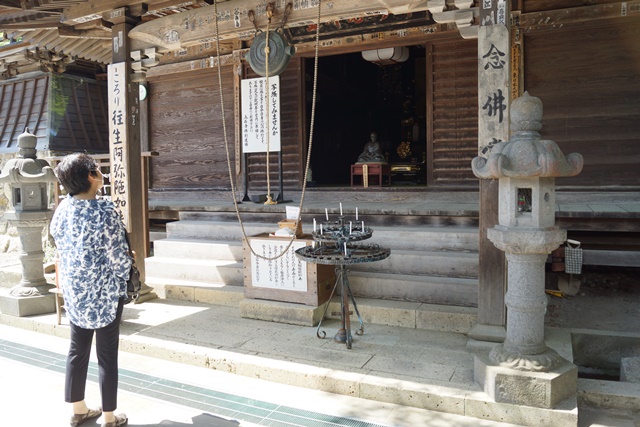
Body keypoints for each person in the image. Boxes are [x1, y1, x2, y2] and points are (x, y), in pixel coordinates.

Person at [50, 153, 131, 427]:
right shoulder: (104, 210)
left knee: (77, 349)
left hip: (74, 291)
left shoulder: (62, 209)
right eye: (96, 168)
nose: (100, 171)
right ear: (90, 177)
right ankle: (109, 416)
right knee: (107, 354)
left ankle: (79, 409)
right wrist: (127, 277)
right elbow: (119, 258)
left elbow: (57, 240)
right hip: (104, 293)